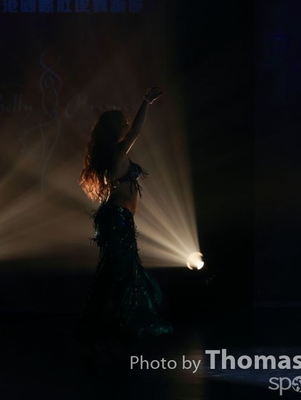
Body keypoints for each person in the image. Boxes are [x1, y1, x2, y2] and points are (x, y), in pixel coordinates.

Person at [76, 86, 173, 357]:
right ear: (116, 129)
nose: (127, 126)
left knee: (117, 276)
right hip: (116, 220)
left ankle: (105, 332)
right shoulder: (117, 153)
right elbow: (136, 133)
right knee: (119, 277)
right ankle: (108, 332)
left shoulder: (113, 154)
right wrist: (146, 102)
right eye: (124, 123)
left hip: (117, 220)